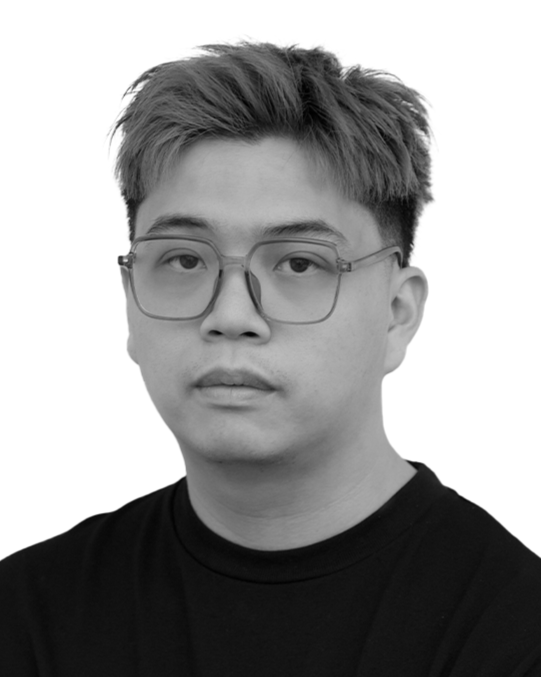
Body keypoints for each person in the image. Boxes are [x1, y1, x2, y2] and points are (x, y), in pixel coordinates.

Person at [1, 40, 540, 677]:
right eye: (183, 259)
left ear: (398, 312)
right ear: (129, 300)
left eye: (299, 264)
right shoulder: (27, 616)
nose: (231, 314)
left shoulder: (512, 631)